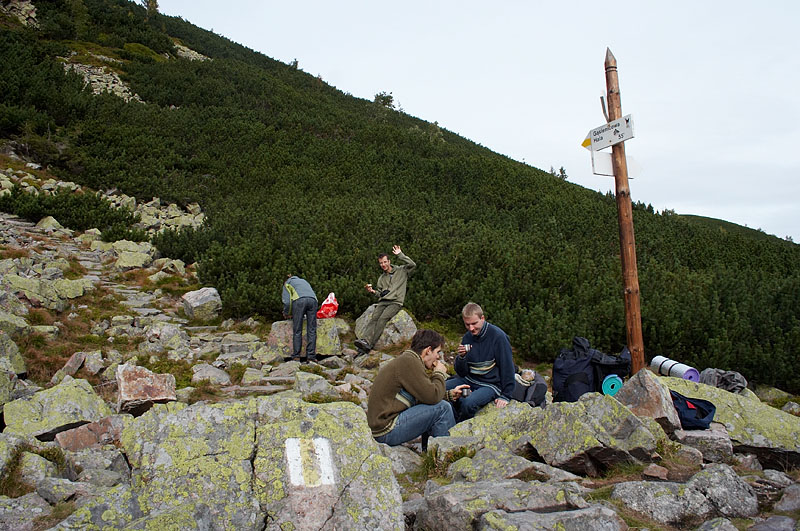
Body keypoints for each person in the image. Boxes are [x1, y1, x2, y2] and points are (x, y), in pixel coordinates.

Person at [367, 329, 467, 449]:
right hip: (386, 430)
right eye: (437, 352)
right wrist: (439, 373)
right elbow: (432, 397)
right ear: (428, 350)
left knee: (439, 406)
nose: (437, 357)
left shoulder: (409, 359)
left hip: (382, 426)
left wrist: (448, 395)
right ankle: (446, 455)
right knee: (443, 409)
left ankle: (430, 454)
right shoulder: (409, 362)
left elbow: (422, 396)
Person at [446, 302, 516, 422]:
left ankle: (460, 430)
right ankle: (450, 421)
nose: (471, 328)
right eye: (467, 325)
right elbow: (462, 372)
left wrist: (506, 396)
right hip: (469, 380)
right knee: (440, 389)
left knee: (468, 403)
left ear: (482, 318)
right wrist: (462, 358)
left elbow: (507, 367)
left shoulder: (498, 337)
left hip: (490, 384)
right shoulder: (467, 337)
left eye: (474, 323)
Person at [354, 245, 416, 354]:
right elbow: (380, 293)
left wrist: (400, 254)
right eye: (381, 263)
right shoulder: (381, 278)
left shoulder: (401, 270)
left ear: (389, 261)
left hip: (395, 302)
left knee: (382, 319)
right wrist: (373, 291)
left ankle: (370, 344)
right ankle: (364, 340)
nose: (383, 265)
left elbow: (413, 264)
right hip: (383, 302)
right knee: (374, 318)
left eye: (385, 262)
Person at [282, 275, 318, 362]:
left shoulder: (287, 283)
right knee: (312, 330)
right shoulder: (304, 281)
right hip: (313, 300)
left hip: (299, 301)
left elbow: (287, 302)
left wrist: (287, 313)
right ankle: (311, 356)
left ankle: (296, 355)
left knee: (297, 329)